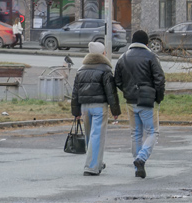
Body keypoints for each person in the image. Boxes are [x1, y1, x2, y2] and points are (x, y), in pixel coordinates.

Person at [114, 30, 165, 179]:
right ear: (147, 43)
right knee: (152, 132)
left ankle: (137, 168)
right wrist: (158, 97)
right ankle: (141, 159)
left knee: (135, 133)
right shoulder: (151, 57)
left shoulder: (123, 57)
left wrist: (128, 91)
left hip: (131, 101)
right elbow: (159, 79)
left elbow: (117, 80)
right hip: (147, 101)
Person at [70, 41, 120, 175]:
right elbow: (111, 92)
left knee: (90, 136)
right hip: (99, 107)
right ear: (103, 53)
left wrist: (76, 111)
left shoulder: (81, 69)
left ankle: (97, 162)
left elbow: (75, 92)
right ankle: (91, 167)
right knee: (97, 136)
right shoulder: (105, 69)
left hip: (84, 108)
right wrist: (115, 110)